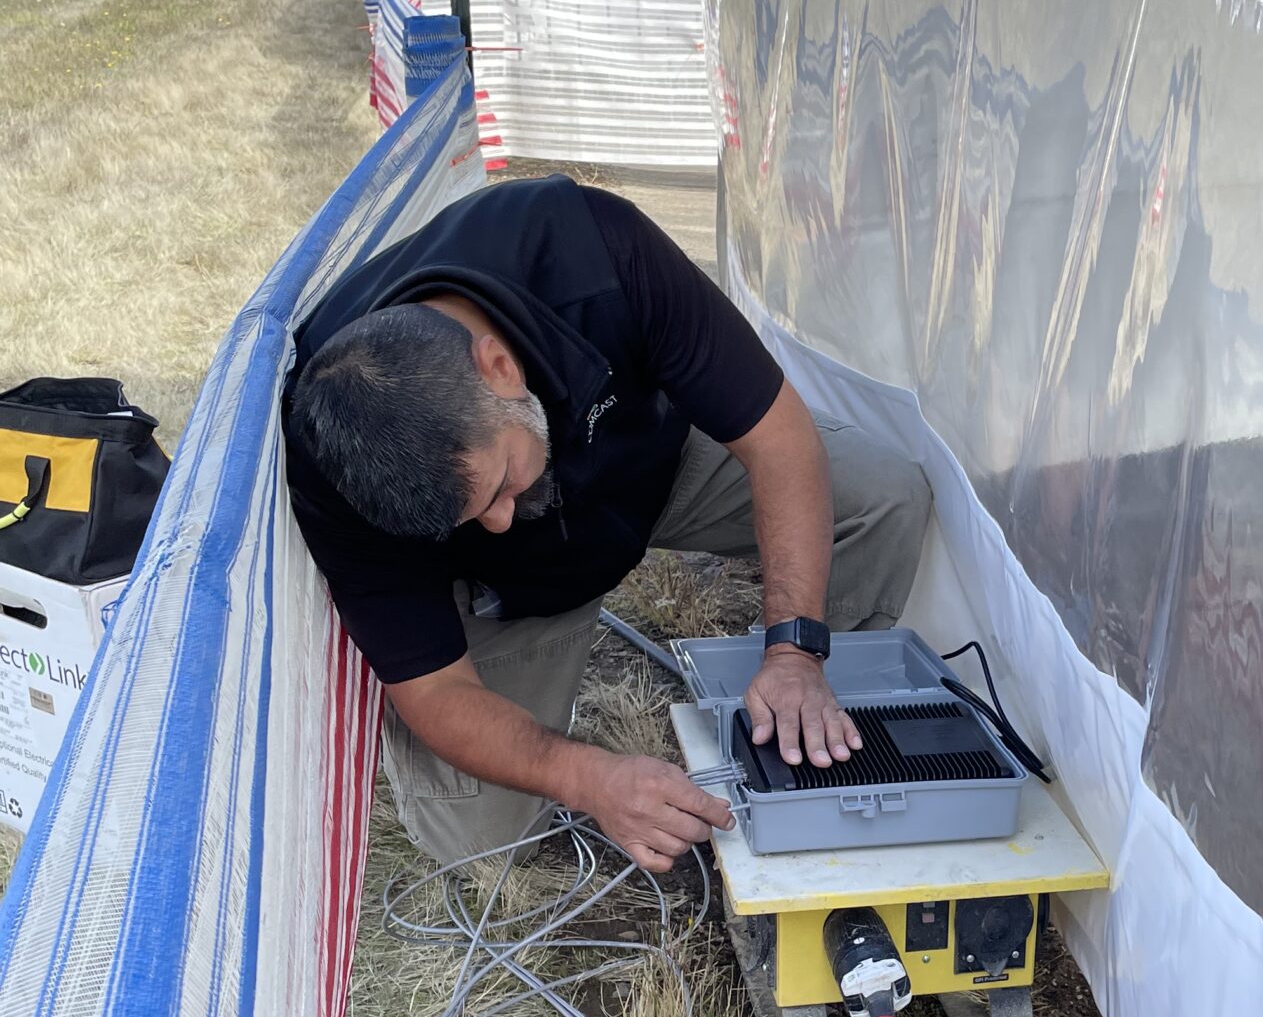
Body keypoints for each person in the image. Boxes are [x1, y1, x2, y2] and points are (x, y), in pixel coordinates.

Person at [283, 175, 931, 872]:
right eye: (470, 519)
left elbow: (779, 440)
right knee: (481, 842)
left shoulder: (592, 249)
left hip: (652, 462)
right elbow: (436, 690)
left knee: (885, 495)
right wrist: (587, 775)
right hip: (518, 592)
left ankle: (816, 726)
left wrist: (793, 651)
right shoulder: (338, 460)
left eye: (499, 486)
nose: (499, 522)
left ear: (499, 368)